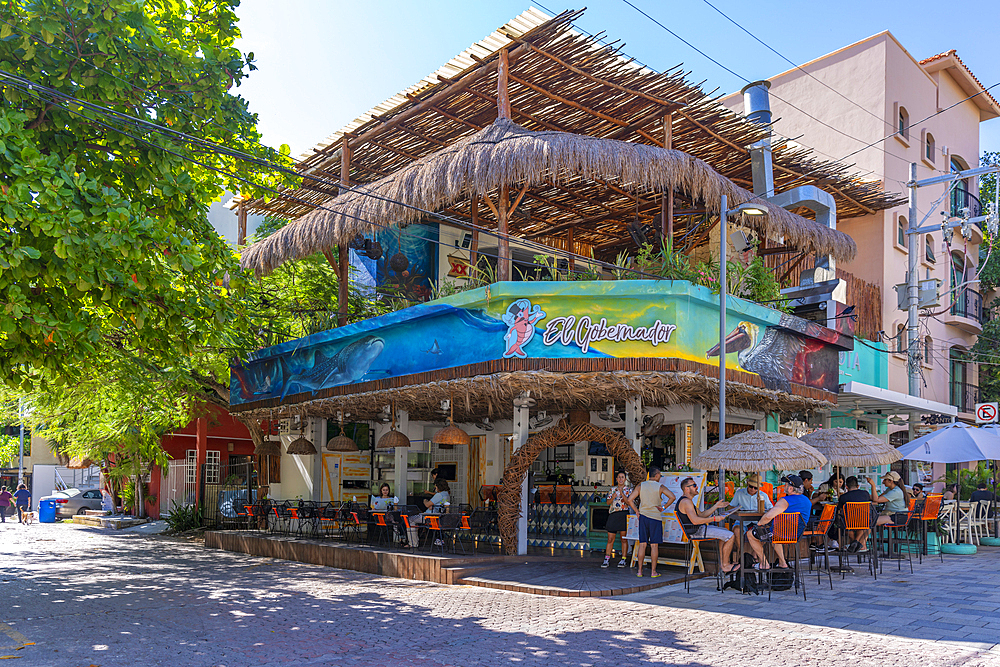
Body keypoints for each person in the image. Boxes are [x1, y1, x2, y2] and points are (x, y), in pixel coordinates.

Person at [745, 475, 812, 570]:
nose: (784, 486)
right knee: (775, 532)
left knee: (751, 534)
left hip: (780, 534)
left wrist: (759, 524)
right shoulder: (807, 501)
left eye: (785, 484)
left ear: (791, 488)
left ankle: (764, 563)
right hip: (796, 535)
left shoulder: (785, 501)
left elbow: (768, 516)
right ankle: (782, 562)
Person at [675, 476, 737, 573]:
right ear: (687, 489)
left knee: (725, 533)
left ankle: (723, 563)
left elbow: (702, 514)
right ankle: (725, 565)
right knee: (731, 536)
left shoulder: (687, 501)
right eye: (694, 485)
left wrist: (716, 506)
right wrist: (715, 518)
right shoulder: (686, 502)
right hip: (696, 531)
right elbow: (695, 521)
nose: (697, 487)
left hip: (698, 529)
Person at [626, 466, 677, 578]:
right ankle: (653, 572)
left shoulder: (641, 485)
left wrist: (637, 511)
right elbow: (672, 497)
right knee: (654, 546)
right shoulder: (660, 486)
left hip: (643, 517)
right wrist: (663, 507)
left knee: (642, 544)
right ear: (657, 474)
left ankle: (639, 571)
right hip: (655, 517)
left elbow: (630, 500)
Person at [833, 476, 872, 553]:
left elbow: (840, 510)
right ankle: (859, 544)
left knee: (846, 526)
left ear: (846, 487)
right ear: (858, 486)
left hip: (849, 523)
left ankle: (854, 543)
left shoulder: (843, 497)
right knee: (867, 527)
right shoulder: (865, 494)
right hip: (864, 522)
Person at [602, 471, 632, 569]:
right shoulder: (612, 489)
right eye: (619, 477)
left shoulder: (628, 490)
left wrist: (622, 493)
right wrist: (613, 497)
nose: (620, 479)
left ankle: (623, 559)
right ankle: (607, 558)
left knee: (623, 539)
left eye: (622, 477)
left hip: (623, 514)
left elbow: (628, 503)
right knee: (610, 539)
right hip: (613, 514)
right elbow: (607, 503)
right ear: (616, 479)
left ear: (625, 479)